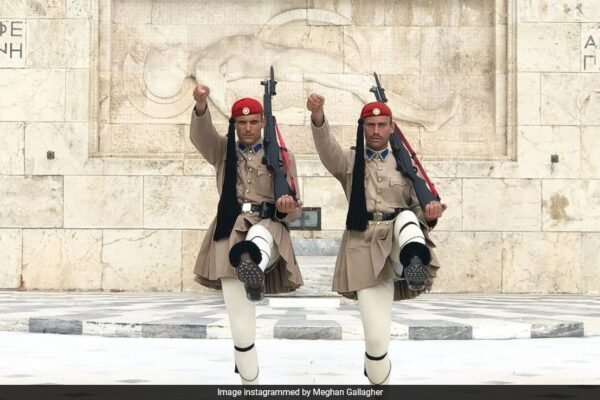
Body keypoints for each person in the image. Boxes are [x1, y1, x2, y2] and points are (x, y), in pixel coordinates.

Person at [307, 93, 444, 385]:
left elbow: (421, 208)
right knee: (376, 339)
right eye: (371, 125)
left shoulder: (407, 166)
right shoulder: (349, 162)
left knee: (407, 217)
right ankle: (379, 381)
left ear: (392, 128)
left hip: (398, 245)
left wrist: (430, 213)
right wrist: (318, 116)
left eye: (382, 125)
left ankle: (414, 264)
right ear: (363, 127)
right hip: (363, 248)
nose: (377, 131)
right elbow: (327, 148)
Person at [190, 84, 303, 385]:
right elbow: (201, 136)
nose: (248, 127)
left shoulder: (282, 156)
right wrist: (201, 106)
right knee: (240, 323)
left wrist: (287, 205)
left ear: (263, 122)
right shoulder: (223, 151)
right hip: (230, 230)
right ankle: (249, 381)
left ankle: (251, 263)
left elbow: (294, 211)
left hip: (268, 225)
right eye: (242, 122)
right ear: (235, 124)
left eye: (254, 121)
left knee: (260, 239)